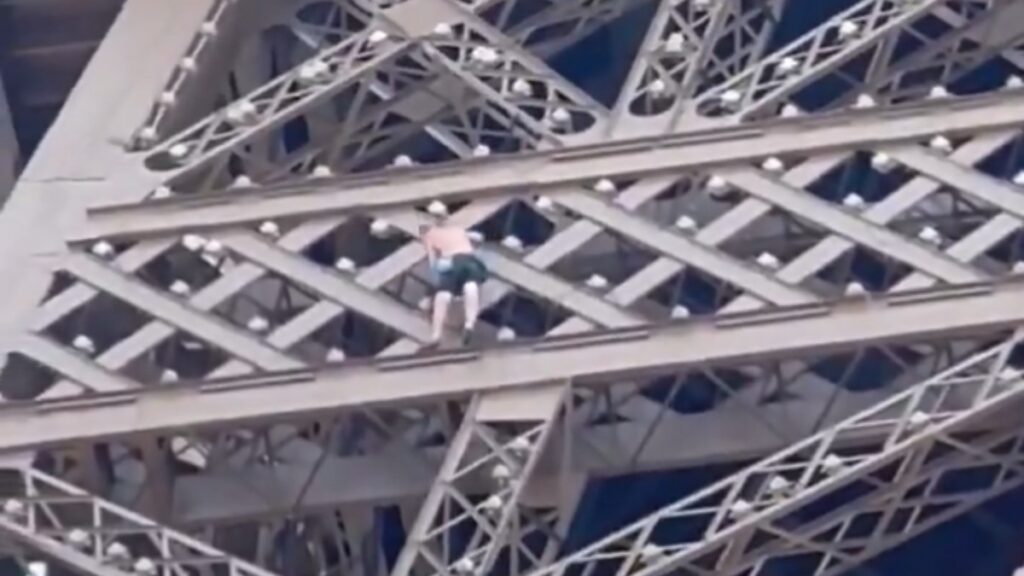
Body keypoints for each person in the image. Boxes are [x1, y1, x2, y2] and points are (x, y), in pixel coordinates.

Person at [420, 219, 489, 347]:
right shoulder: (457, 229)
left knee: (443, 296)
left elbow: (432, 261)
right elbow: (476, 238)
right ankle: (470, 324)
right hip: (470, 260)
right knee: (471, 287)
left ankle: (436, 335)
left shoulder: (429, 236)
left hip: (451, 262)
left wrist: (430, 292)